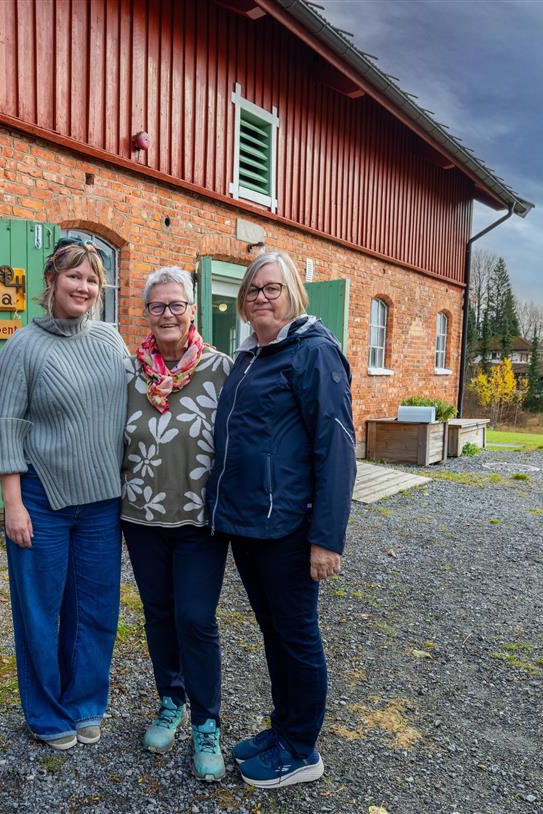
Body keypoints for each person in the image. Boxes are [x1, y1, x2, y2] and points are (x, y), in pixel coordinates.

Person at [206, 250, 356, 789]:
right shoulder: (250, 356)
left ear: (294, 294)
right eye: (253, 291)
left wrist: (326, 538)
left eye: (272, 288)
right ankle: (282, 728)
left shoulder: (313, 354)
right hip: (248, 526)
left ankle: (302, 748)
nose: (261, 298)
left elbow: (336, 449)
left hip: (289, 527)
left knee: (295, 634)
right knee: (273, 632)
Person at [0, 237, 128, 751]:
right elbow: (5, 424)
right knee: (40, 610)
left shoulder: (112, 341)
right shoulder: (23, 345)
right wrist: (12, 503)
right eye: (75, 277)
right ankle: (46, 712)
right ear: (52, 282)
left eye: (92, 279)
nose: (84, 287)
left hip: (102, 502)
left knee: (96, 609)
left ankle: (86, 703)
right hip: (41, 500)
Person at [120, 267, 233, 780]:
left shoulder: (221, 370)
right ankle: (171, 700)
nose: (167, 314)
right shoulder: (129, 373)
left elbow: (241, 443)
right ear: (147, 313)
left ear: (193, 310)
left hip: (198, 521)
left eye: (176, 305)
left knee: (195, 618)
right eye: (157, 306)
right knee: (159, 614)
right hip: (140, 516)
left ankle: (207, 722)